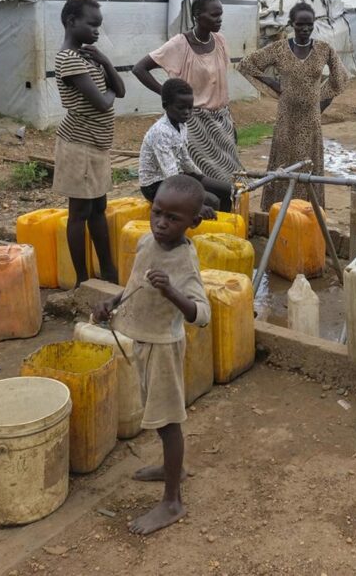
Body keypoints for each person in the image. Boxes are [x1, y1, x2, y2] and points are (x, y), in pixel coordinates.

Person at [91, 176, 211, 535]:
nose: (161, 223)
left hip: (163, 348)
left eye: (172, 218)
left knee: (168, 421)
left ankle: (172, 500)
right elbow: (134, 286)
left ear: (193, 222)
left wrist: (172, 291)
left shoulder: (184, 260)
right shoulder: (147, 242)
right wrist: (111, 303)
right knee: (156, 417)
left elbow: (201, 314)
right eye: (157, 212)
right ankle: (170, 467)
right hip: (140, 342)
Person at [237, 2, 348, 210]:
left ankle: (307, 212)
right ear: (291, 25)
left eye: (309, 24)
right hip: (286, 118)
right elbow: (247, 64)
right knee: (284, 163)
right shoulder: (279, 49)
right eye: (300, 25)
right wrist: (273, 84)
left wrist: (319, 102)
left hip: (311, 120)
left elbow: (339, 79)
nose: (305, 29)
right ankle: (279, 211)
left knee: (309, 164)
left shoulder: (324, 50)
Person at [132, 0, 242, 184]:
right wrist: (168, 95)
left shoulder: (220, 41)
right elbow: (139, 68)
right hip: (194, 125)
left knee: (229, 179)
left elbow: (219, 83)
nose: (219, 19)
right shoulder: (179, 44)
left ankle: (227, 214)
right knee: (203, 179)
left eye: (220, 14)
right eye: (214, 15)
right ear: (197, 15)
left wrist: (229, 119)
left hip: (221, 121)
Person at [54, 0, 125, 286]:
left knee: (98, 208)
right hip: (78, 145)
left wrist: (105, 61)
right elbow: (103, 102)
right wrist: (107, 94)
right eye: (92, 24)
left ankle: (107, 270)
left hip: (96, 145)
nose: (97, 30)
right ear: (72, 22)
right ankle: (82, 280)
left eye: (99, 25)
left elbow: (119, 89)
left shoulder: (86, 56)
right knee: (79, 213)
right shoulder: (67, 58)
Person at [138, 78, 232, 211]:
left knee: (227, 190)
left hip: (177, 176)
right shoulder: (161, 132)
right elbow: (170, 173)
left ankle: (226, 227)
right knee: (211, 200)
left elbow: (185, 158)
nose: (187, 112)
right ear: (165, 105)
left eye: (190, 107)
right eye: (181, 108)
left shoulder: (181, 124)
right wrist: (195, 203)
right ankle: (204, 228)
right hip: (156, 185)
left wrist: (200, 177)